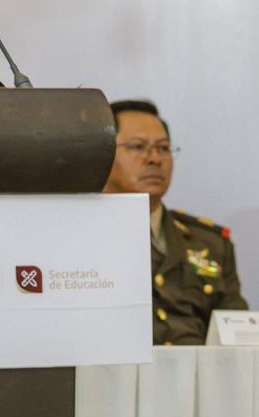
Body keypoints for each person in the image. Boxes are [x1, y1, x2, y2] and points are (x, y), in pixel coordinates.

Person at [103, 99, 247, 344]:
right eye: (138, 147)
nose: (155, 159)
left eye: (163, 148)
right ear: (102, 154)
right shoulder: (80, 238)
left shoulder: (210, 243)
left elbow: (236, 336)